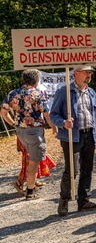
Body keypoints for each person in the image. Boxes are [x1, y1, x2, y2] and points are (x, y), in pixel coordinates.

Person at [51, 65, 96, 215]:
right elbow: (53, 115)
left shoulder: (91, 93)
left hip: (89, 134)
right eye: (86, 72)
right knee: (72, 170)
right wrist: (63, 123)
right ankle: (64, 201)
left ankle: (84, 201)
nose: (89, 75)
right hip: (72, 136)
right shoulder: (64, 92)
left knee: (87, 168)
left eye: (90, 72)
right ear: (76, 73)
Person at [1, 69, 57, 199]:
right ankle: (30, 192)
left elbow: (3, 113)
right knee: (34, 161)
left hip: (20, 131)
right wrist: (54, 126)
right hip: (35, 131)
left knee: (30, 158)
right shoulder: (37, 94)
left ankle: (29, 185)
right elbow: (47, 113)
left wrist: (14, 124)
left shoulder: (13, 93)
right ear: (36, 81)